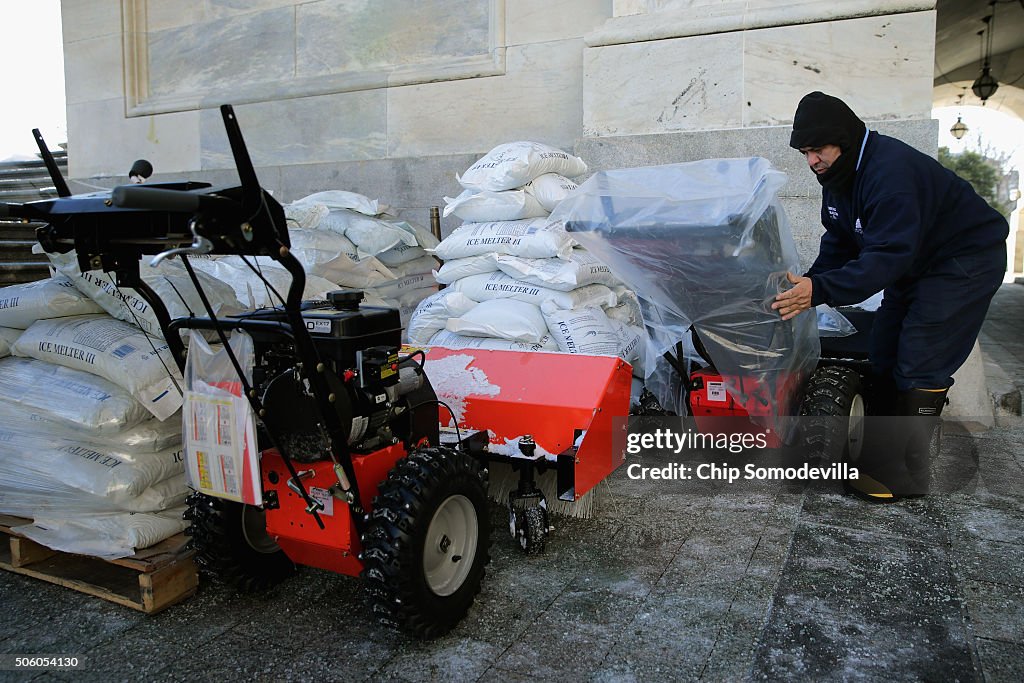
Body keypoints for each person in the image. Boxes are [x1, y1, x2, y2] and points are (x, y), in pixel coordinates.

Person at [772, 91, 1009, 502]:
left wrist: (821, 291)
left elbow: (884, 258)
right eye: (805, 153)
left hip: (962, 261)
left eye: (818, 150)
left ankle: (905, 473)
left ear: (843, 139)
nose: (812, 161)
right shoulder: (838, 177)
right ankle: (876, 450)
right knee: (882, 351)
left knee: (920, 357)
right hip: (915, 261)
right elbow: (841, 243)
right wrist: (808, 285)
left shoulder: (889, 174)